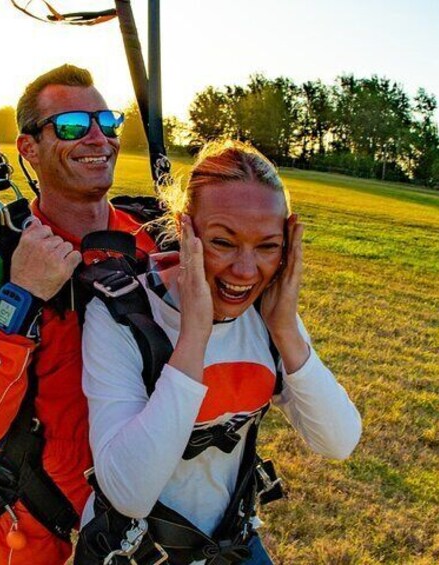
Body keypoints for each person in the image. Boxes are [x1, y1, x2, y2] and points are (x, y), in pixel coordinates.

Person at [80, 140, 363, 563]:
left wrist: (285, 328)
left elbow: (337, 442)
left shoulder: (267, 315)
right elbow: (129, 493)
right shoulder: (122, 314)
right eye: (222, 243)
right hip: (136, 549)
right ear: (185, 230)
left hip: (233, 543)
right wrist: (195, 334)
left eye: (268, 246)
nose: (246, 271)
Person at [0, 64, 156, 565]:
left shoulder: (152, 243)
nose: (98, 137)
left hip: (151, 502)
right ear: (28, 148)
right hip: (40, 518)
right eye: (74, 126)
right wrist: (23, 296)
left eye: (107, 121)